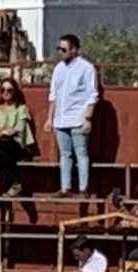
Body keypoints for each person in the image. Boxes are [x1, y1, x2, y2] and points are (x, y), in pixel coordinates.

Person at [45, 34, 98, 197]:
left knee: (81, 153)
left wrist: (88, 118)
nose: (60, 52)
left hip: (77, 118)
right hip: (60, 120)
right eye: (58, 49)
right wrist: (49, 118)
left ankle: (83, 188)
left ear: (74, 49)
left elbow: (92, 94)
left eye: (64, 49)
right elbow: (53, 95)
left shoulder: (86, 68)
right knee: (65, 154)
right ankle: (65, 188)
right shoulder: (58, 69)